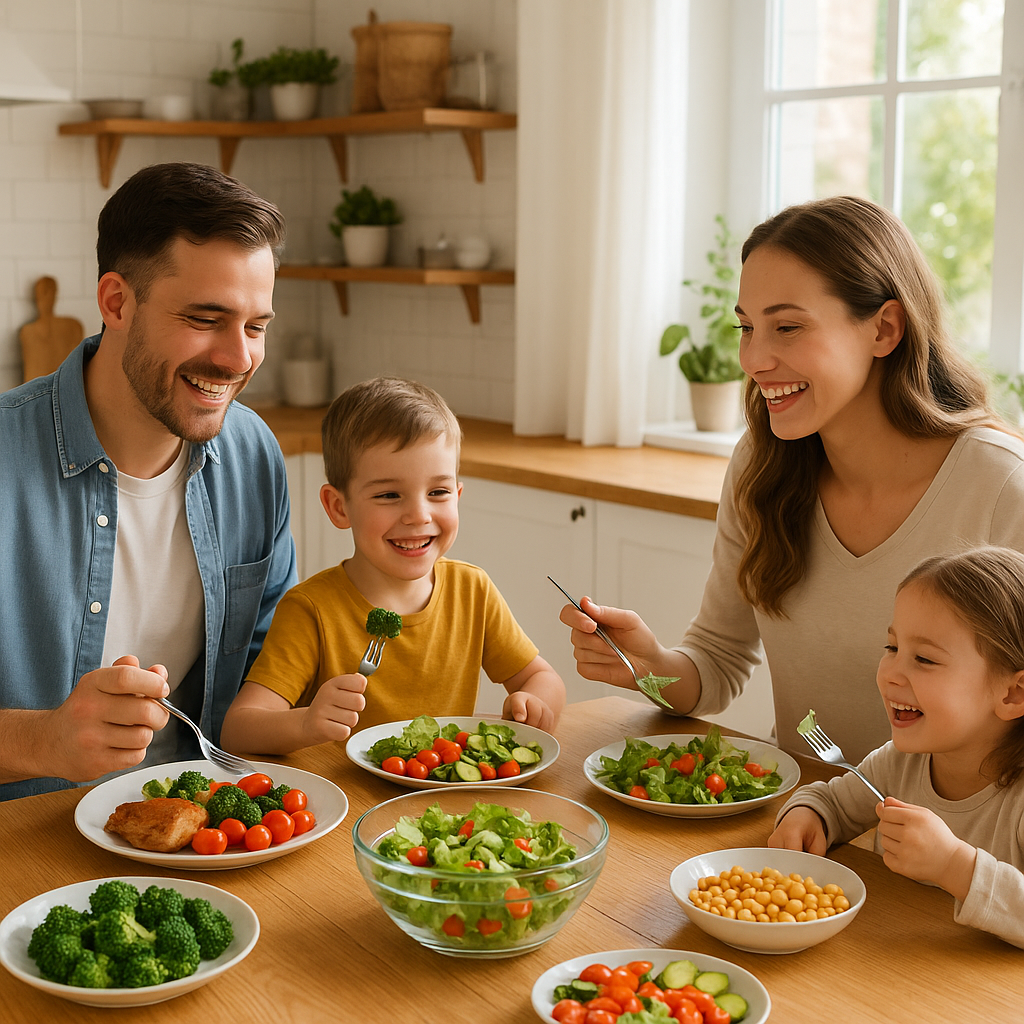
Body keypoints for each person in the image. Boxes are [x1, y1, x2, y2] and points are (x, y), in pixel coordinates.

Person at [560, 195, 1024, 764]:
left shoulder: (1003, 492)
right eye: (747, 327)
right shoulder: (762, 465)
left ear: (884, 329)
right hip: (803, 829)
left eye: (787, 327)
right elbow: (715, 664)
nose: (753, 359)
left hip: (947, 850)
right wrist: (647, 669)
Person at [0, 162, 297, 800]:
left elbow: (274, 669)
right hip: (28, 853)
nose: (238, 359)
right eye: (204, 318)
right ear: (116, 302)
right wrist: (39, 741)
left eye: (256, 327)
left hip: (210, 834)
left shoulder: (253, 456)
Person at [220, 376, 566, 754]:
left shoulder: (473, 590)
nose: (419, 515)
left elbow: (541, 676)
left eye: (438, 492)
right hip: (349, 804)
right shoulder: (311, 610)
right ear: (339, 507)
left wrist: (536, 703)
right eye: (389, 495)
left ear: (458, 495)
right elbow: (238, 729)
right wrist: (306, 723)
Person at [769, 546, 1024, 947]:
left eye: (924, 658)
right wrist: (807, 816)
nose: (890, 673)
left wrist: (954, 865)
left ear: (1013, 694)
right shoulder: (898, 765)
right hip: (890, 968)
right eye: (892, 648)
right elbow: (834, 803)